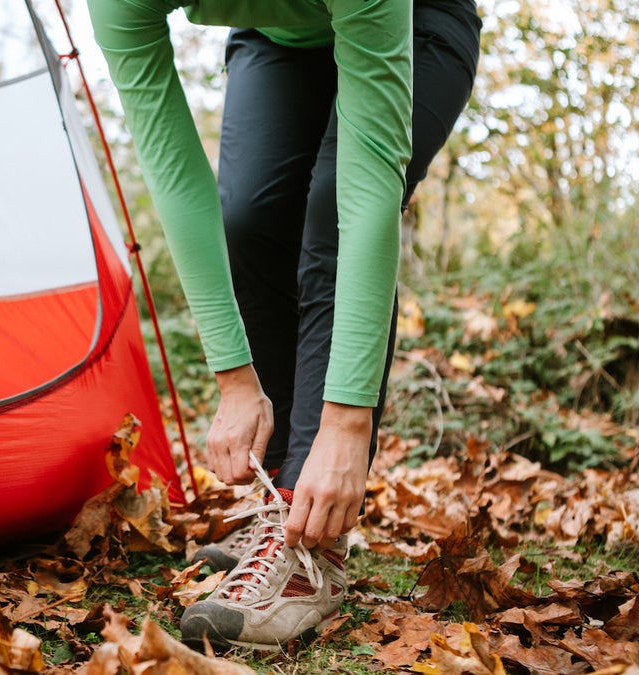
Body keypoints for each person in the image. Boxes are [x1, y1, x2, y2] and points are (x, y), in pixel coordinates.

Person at [86, 0, 481, 651]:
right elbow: (178, 178)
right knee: (245, 214)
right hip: (278, 37)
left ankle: (311, 539)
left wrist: (348, 423)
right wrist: (234, 378)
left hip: (417, 18)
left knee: (329, 205)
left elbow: (363, 193)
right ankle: (281, 508)